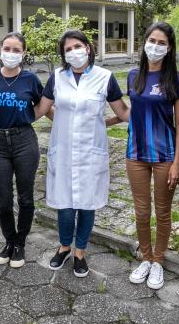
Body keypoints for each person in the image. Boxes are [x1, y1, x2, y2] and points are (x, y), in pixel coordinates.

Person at [34, 30, 129, 277]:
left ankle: (80, 252)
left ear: (88, 47)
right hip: (63, 150)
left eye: (77, 46)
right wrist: (7, 113)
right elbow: (41, 110)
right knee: (65, 205)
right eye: (67, 49)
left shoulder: (105, 77)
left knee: (87, 204)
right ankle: (64, 246)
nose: (73, 51)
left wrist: (153, 116)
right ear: (63, 54)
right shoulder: (57, 77)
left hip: (90, 152)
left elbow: (123, 112)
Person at [120, 22, 179, 290]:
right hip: (135, 153)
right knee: (140, 210)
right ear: (144, 42)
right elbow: (130, 111)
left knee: (162, 212)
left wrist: (177, 162)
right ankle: (145, 257)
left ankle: (159, 261)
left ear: (169, 48)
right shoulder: (133, 75)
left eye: (162, 43)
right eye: (152, 40)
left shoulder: (176, 79)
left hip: (164, 155)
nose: (155, 46)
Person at [0, 32, 44, 268]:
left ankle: (20, 242)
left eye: (16, 50)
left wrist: (27, 116)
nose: (11, 54)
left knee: (25, 196)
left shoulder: (30, 80)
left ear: (23, 53)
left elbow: (43, 105)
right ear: (0, 49)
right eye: (7, 49)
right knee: (3, 199)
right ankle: (9, 241)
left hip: (24, 140)